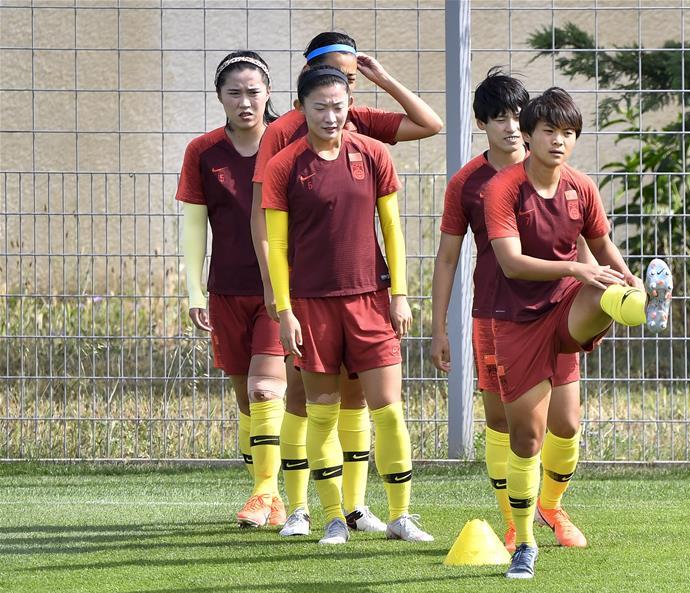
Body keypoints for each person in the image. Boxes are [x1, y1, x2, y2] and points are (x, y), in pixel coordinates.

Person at [250, 32, 443, 537]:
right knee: (319, 411)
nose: (331, 115)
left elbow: (393, 229)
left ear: (351, 104)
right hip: (310, 306)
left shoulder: (375, 153)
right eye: (321, 107)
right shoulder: (282, 162)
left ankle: (400, 514)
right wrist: (284, 307)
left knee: (388, 410)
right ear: (300, 108)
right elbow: (275, 241)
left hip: (370, 301)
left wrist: (399, 293)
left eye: (340, 105)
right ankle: (327, 514)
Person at [484, 87, 673, 578]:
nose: (559, 141)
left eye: (568, 133)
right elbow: (510, 262)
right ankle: (524, 540)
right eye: (549, 131)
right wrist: (575, 270)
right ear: (528, 137)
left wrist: (627, 275)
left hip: (566, 309)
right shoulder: (503, 188)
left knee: (569, 423)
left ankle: (641, 303)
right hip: (517, 321)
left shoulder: (582, 187)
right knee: (528, 438)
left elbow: (603, 247)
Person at [430, 69, 593, 552]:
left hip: (557, 313)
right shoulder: (468, 183)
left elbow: (585, 240)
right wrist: (439, 328)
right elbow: (447, 257)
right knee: (506, 425)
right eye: (497, 117)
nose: (509, 126)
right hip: (496, 319)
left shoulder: (556, 173)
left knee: (566, 422)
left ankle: (553, 506)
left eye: (517, 116)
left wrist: (599, 291)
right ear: (482, 123)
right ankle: (514, 521)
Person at [176, 51, 288, 528]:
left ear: (268, 93)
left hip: (281, 292)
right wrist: (194, 293)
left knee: (266, 391)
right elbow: (194, 225)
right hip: (226, 292)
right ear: (220, 97)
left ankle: (264, 493)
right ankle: (270, 494)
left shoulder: (290, 145)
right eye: (234, 93)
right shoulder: (203, 152)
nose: (246, 102)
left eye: (254, 92)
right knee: (247, 400)